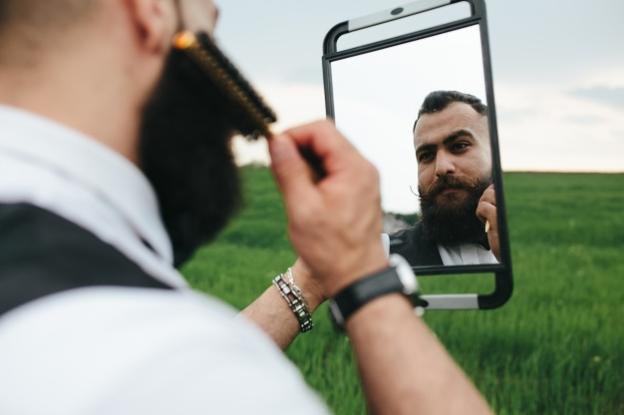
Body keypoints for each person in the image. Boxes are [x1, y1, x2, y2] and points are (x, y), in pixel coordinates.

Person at [0, 1, 492, 414]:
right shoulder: (174, 373)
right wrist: (367, 281)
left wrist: (315, 278)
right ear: (150, 13)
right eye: (209, 29)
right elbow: (173, 375)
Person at [390, 90, 500, 266]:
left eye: (459, 146)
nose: (441, 168)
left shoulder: (534, 246)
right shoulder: (379, 257)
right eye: (426, 155)